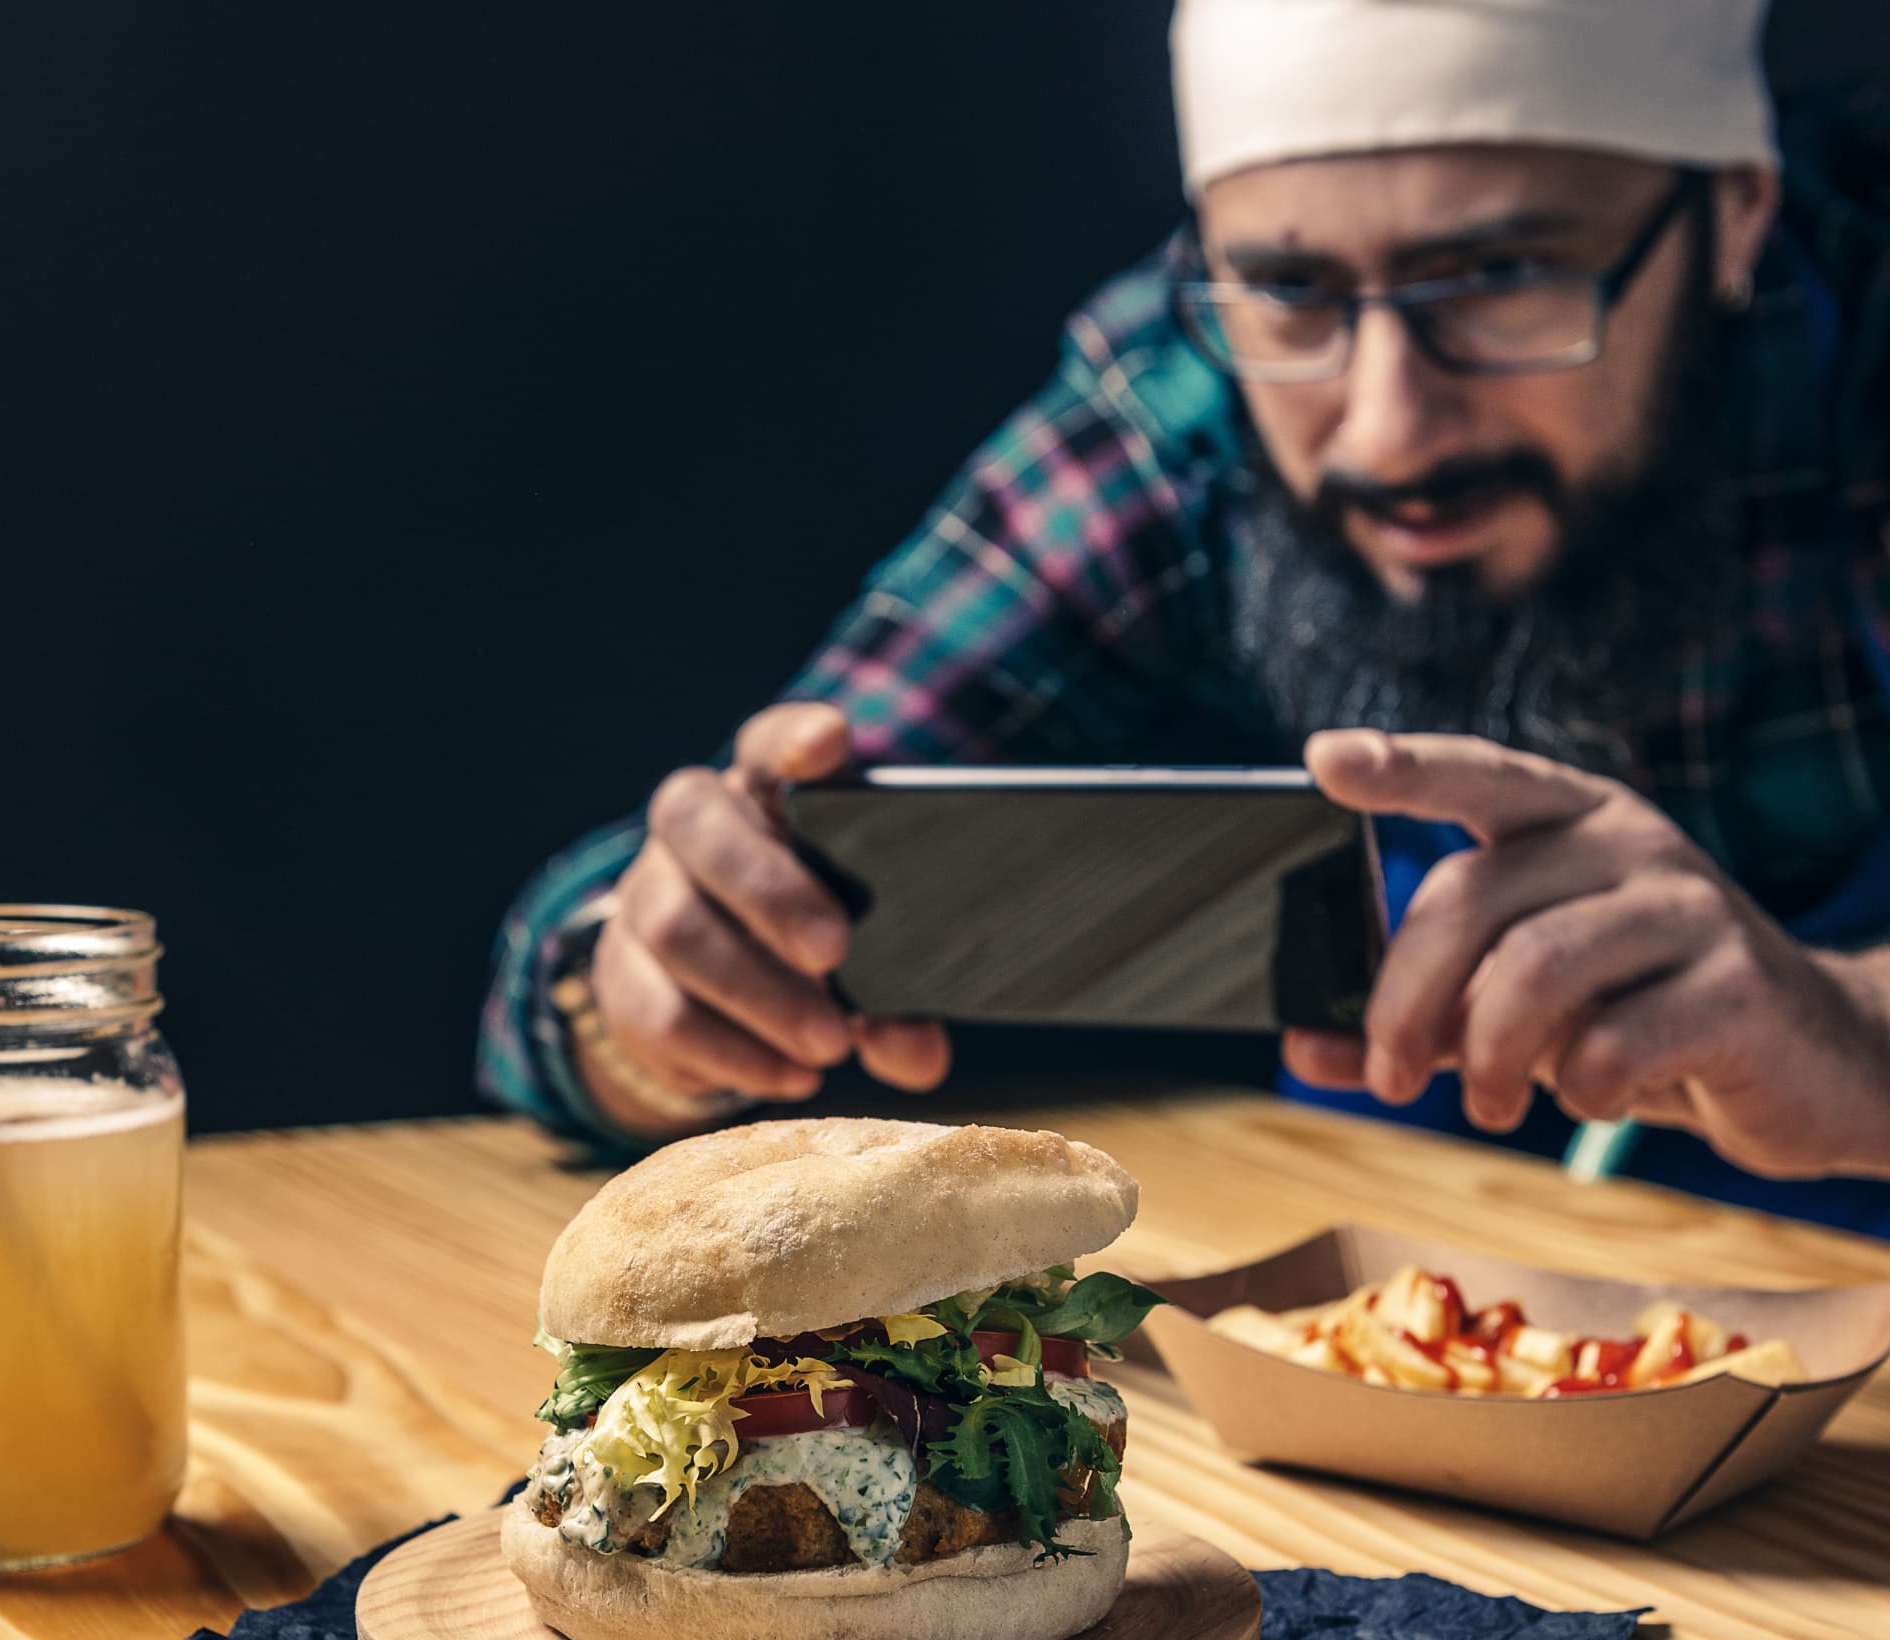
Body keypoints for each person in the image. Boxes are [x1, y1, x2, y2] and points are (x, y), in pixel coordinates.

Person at [480, 0, 1890, 1228]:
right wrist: (661, 989)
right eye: (1292, 290)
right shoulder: (1186, 401)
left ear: (1735, 214)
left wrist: (1846, 1040)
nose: (1389, 430)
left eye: (1507, 279)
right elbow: (685, 889)